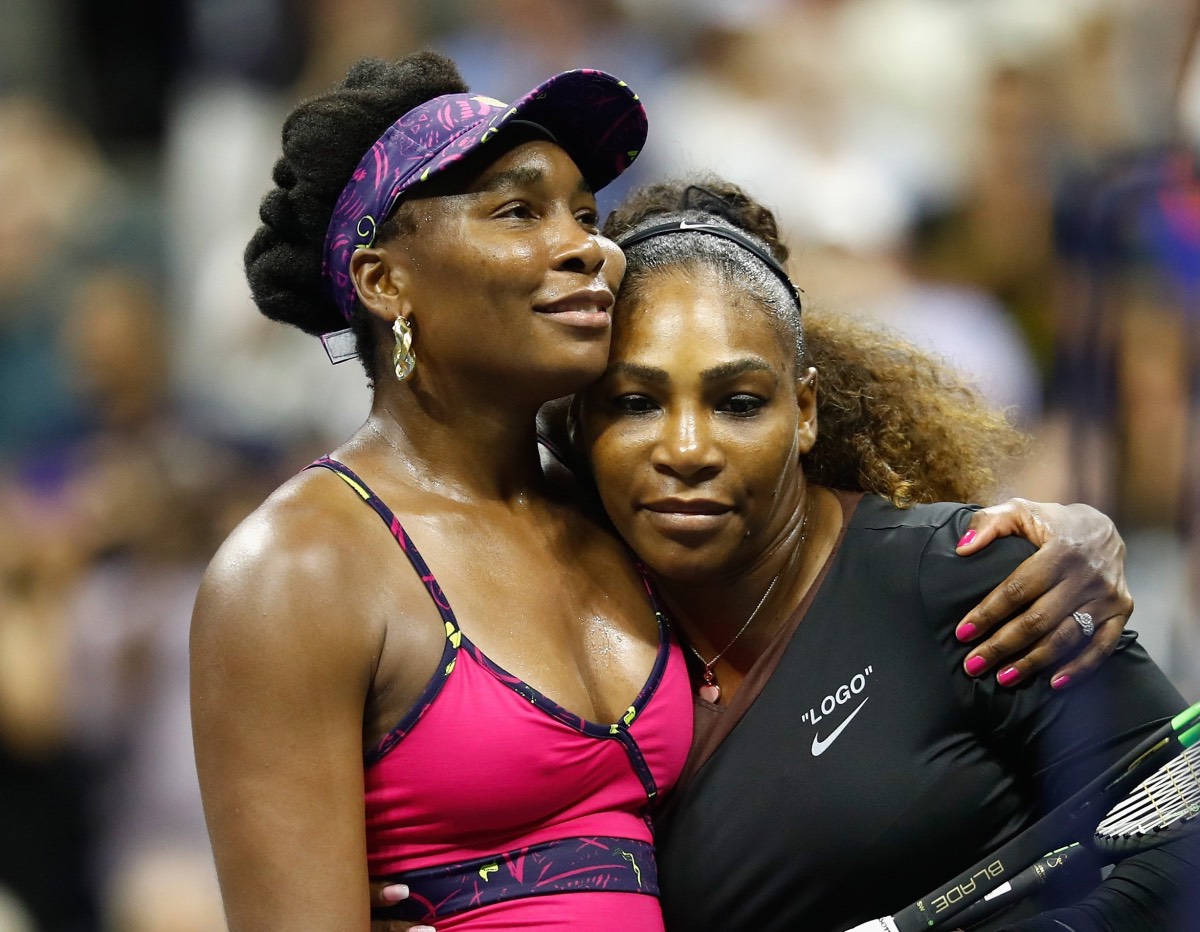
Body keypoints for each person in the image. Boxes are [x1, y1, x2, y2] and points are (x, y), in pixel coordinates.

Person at [192, 51, 1134, 932]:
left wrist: (1065, 535)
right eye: (521, 213)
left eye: (586, 217)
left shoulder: (618, 514)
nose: (588, 251)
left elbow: (829, 545)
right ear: (384, 280)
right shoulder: (296, 571)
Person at [570, 177, 1197, 930]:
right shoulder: (546, 617)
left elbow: (1179, 819)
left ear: (803, 411)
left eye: (737, 402)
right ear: (577, 424)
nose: (687, 448)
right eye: (636, 403)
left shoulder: (976, 577)